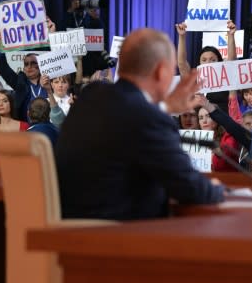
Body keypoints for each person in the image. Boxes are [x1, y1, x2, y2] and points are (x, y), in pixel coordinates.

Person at [55, 28, 225, 220]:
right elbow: (191, 189)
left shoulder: (92, 95)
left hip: (69, 231)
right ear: (161, 72)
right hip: (121, 237)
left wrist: (164, 107)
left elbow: (126, 121)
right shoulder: (148, 118)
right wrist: (220, 191)